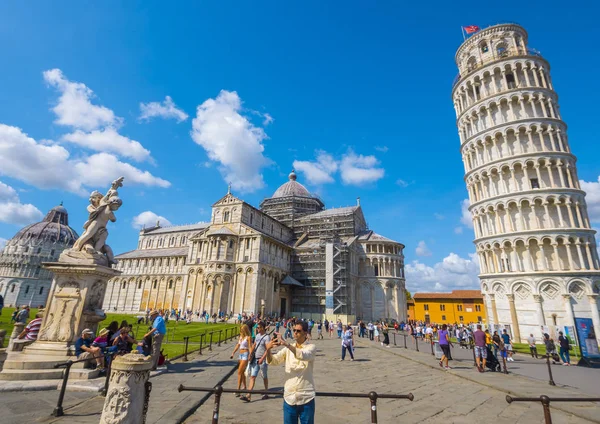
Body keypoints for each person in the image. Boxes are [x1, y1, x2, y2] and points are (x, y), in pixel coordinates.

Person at [265, 320, 316, 424]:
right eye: (294, 330)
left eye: (298, 331)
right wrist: (268, 350)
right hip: (289, 398)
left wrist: (287, 344)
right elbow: (274, 361)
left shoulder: (311, 347)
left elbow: (304, 355)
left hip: (306, 398)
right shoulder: (287, 350)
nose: (295, 333)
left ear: (305, 333)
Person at [242, 321, 270, 402]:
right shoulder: (257, 335)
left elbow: (268, 349)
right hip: (256, 359)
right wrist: (250, 354)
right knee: (252, 376)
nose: (257, 329)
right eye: (257, 327)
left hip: (263, 360)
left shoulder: (267, 337)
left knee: (264, 376)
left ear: (263, 328)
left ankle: (266, 392)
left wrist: (262, 358)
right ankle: (248, 395)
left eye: (258, 327)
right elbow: (254, 345)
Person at [231, 324, 253, 397]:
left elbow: (250, 346)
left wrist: (250, 354)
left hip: (245, 354)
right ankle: (244, 386)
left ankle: (238, 389)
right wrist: (233, 352)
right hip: (240, 354)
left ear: (245, 330)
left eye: (242, 330)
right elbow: (238, 345)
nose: (241, 331)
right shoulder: (241, 337)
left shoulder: (248, 337)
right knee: (242, 372)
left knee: (239, 372)